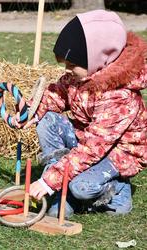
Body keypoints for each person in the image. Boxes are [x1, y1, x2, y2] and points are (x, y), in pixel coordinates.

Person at [14, 9, 147, 217]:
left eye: (71, 65)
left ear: (99, 59)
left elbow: (93, 149)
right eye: (65, 64)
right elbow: (56, 95)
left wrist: (49, 181)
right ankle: (61, 189)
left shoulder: (119, 98)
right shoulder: (80, 76)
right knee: (47, 120)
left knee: (81, 187)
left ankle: (118, 190)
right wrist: (31, 112)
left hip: (116, 154)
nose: (66, 70)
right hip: (87, 140)